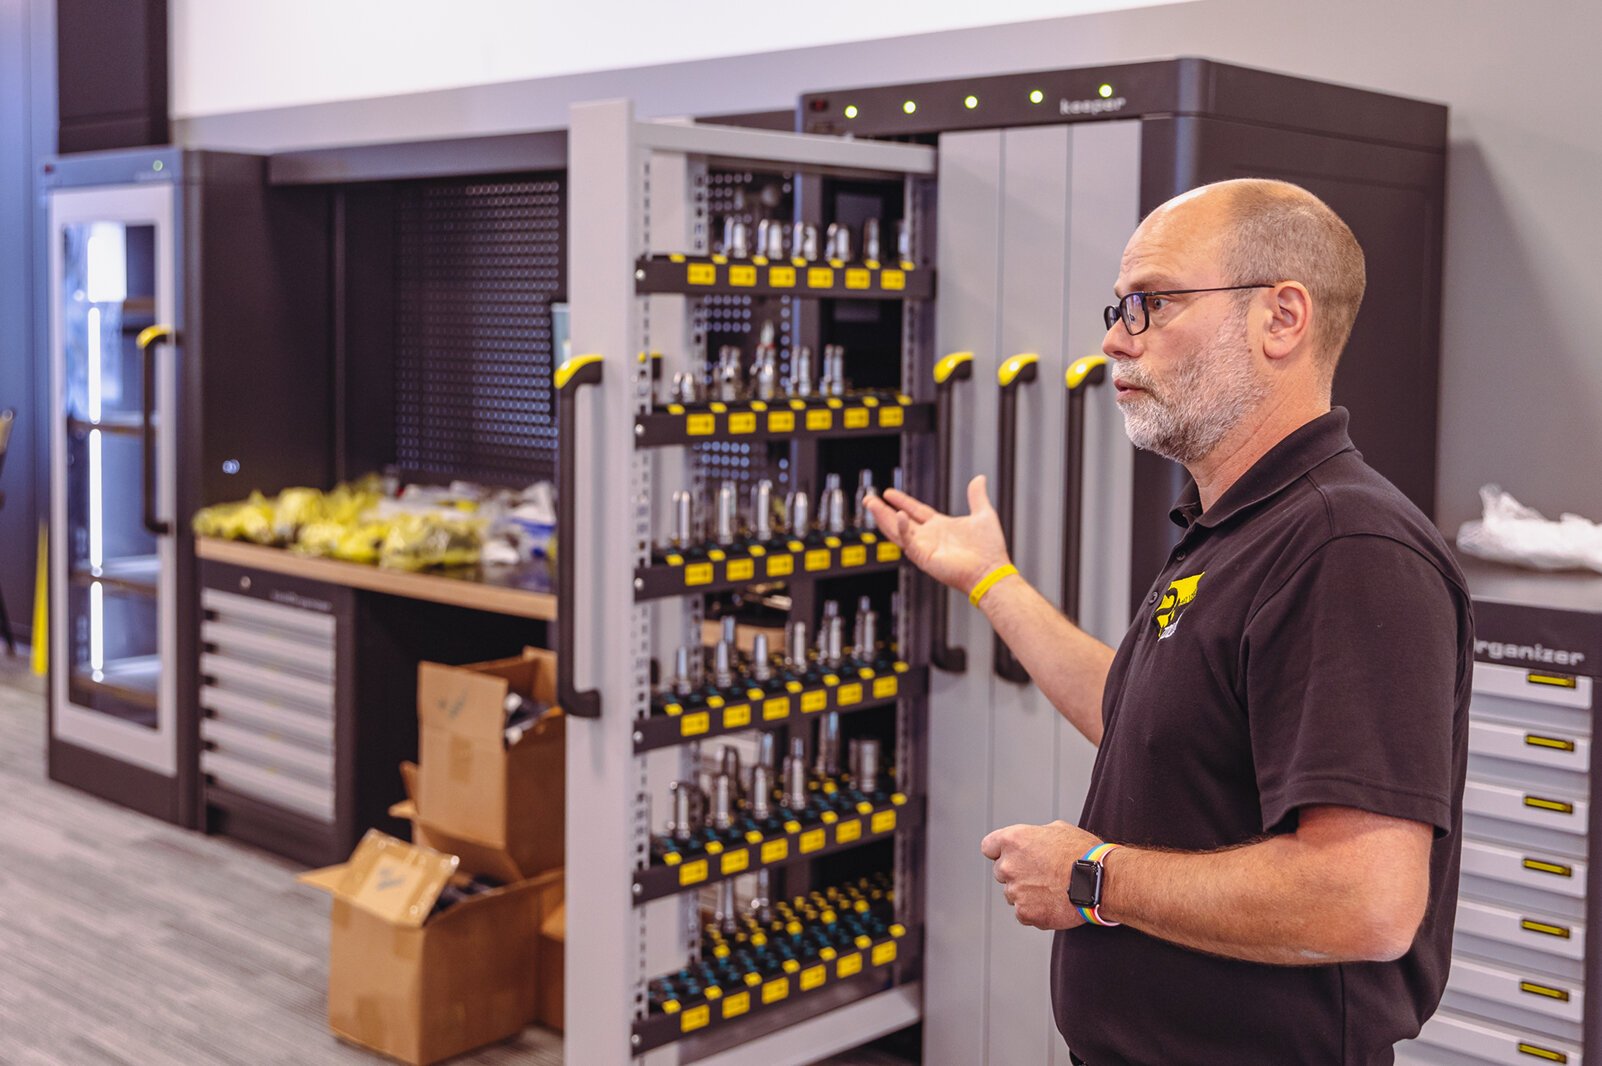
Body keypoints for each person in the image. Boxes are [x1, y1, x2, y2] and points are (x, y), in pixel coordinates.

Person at [864, 178, 1473, 1065]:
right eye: (1121, 307)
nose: (1115, 337)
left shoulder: (1348, 548)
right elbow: (1144, 722)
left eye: (1152, 303)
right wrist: (990, 578)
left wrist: (1093, 877)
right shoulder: (1238, 524)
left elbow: (1365, 900)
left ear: (1281, 318)